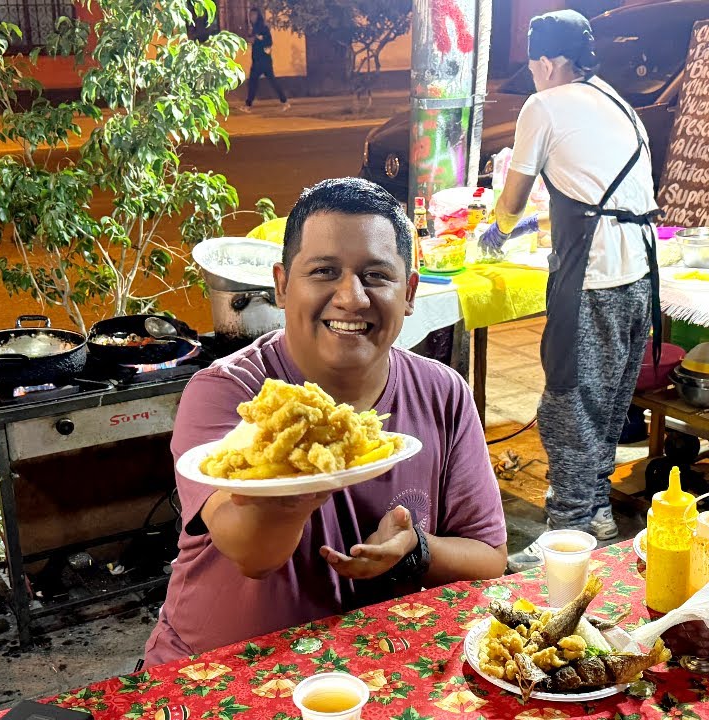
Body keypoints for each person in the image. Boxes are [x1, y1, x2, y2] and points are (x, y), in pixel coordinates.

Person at [144, 177, 507, 665]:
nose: (351, 297)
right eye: (323, 271)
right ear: (280, 284)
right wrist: (302, 473)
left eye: (376, 275)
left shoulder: (443, 393)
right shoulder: (230, 393)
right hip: (224, 672)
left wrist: (416, 551)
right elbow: (253, 555)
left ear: (410, 291)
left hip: (375, 668)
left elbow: (489, 558)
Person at [479, 10, 660, 572]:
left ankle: (568, 534)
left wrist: (494, 232)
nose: (533, 76)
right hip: (640, 275)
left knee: (568, 405)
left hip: (596, 273)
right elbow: (594, 190)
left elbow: (510, 203)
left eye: (534, 65)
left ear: (549, 62)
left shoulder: (544, 105)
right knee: (606, 402)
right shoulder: (616, 100)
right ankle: (597, 510)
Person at [244, 8, 290, 112]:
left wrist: (256, 39)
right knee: (267, 81)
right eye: (250, 15)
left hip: (263, 60)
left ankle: (248, 105)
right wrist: (250, 38)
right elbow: (251, 40)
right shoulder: (254, 28)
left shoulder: (263, 28)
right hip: (258, 59)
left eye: (254, 15)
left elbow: (268, 42)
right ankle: (285, 101)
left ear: (258, 16)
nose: (252, 17)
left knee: (253, 82)